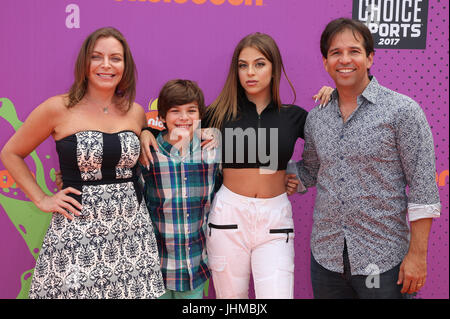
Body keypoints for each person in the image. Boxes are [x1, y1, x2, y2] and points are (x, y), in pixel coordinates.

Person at [140, 32, 333, 299]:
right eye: (243, 65)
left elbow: (334, 141)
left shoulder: (294, 116)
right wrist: (144, 130)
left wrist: (336, 98)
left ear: (274, 67)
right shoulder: (218, 113)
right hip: (228, 218)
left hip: (275, 220)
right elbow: (177, 121)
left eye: (259, 64)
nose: (250, 72)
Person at [0, 27, 165, 299]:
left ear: (125, 66)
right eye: (97, 57)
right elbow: (11, 153)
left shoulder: (134, 112)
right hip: (78, 231)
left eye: (115, 58)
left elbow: (142, 142)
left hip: (131, 231)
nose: (106, 65)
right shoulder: (57, 108)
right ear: (84, 63)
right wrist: (42, 199)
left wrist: (147, 130)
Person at [287, 18, 441, 299]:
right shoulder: (317, 117)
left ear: (370, 58)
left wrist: (417, 256)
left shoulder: (402, 111)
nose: (345, 59)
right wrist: (256, 171)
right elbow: (309, 171)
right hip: (327, 260)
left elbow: (423, 188)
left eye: (354, 51)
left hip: (383, 262)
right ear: (325, 62)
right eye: (336, 53)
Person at [140, 79, 219, 299]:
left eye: (191, 111)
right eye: (175, 111)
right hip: (155, 267)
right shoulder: (148, 154)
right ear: (162, 117)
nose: (184, 117)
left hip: (194, 266)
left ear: (200, 116)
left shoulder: (212, 152)